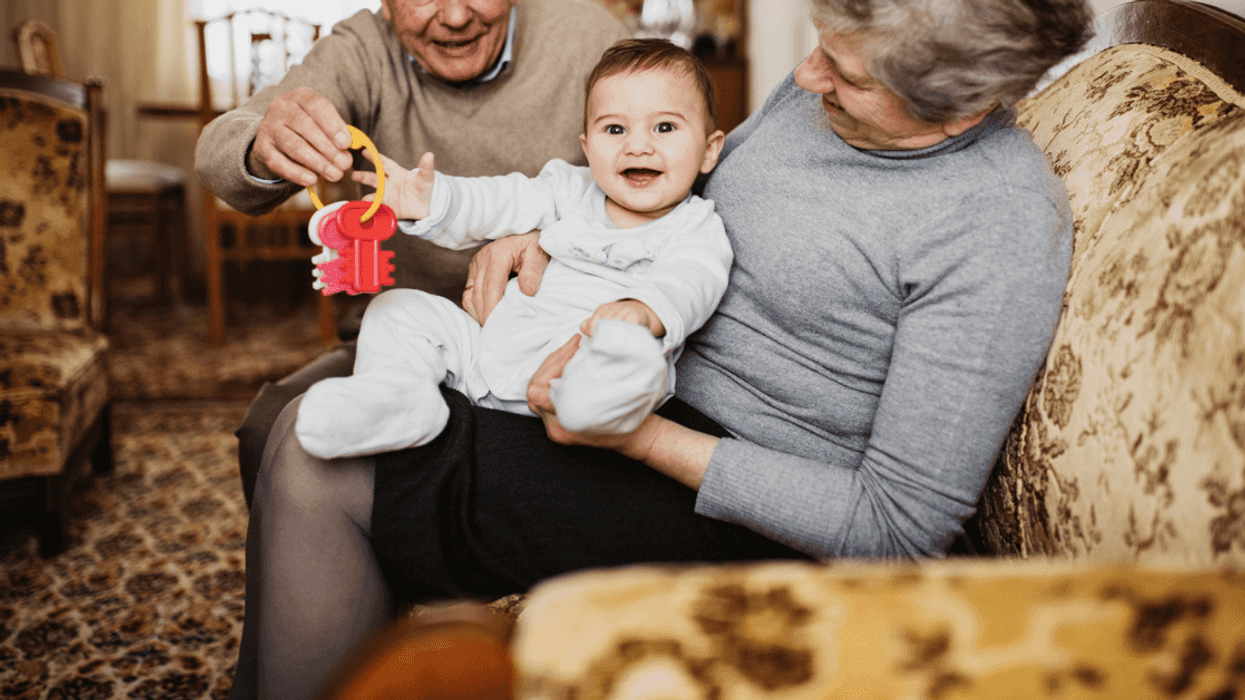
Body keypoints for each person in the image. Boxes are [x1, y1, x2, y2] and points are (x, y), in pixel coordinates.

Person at [226, 0, 1094, 698]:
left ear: (963, 102)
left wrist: (637, 436)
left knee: (318, 456)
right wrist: (549, 234)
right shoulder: (823, 91)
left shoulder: (997, 223)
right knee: (293, 415)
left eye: (846, 72)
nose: (803, 74)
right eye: (819, 42)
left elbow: (897, 526)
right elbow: (692, 184)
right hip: (629, 362)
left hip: (730, 484)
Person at [194, 0, 630, 506]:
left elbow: (675, 182)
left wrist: (554, 240)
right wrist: (264, 142)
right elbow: (216, 153)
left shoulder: (589, 34)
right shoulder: (361, 50)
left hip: (556, 338)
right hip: (405, 341)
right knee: (269, 431)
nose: (455, 16)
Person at [295, 39, 729, 458]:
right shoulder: (570, 188)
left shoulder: (696, 227)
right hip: (486, 353)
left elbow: (691, 281)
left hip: (578, 369)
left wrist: (642, 312)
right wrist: (429, 200)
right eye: (614, 129)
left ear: (709, 150)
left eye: (665, 127)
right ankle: (401, 399)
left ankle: (595, 406)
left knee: (627, 361)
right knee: (398, 309)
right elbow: (499, 200)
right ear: (587, 147)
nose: (637, 145)